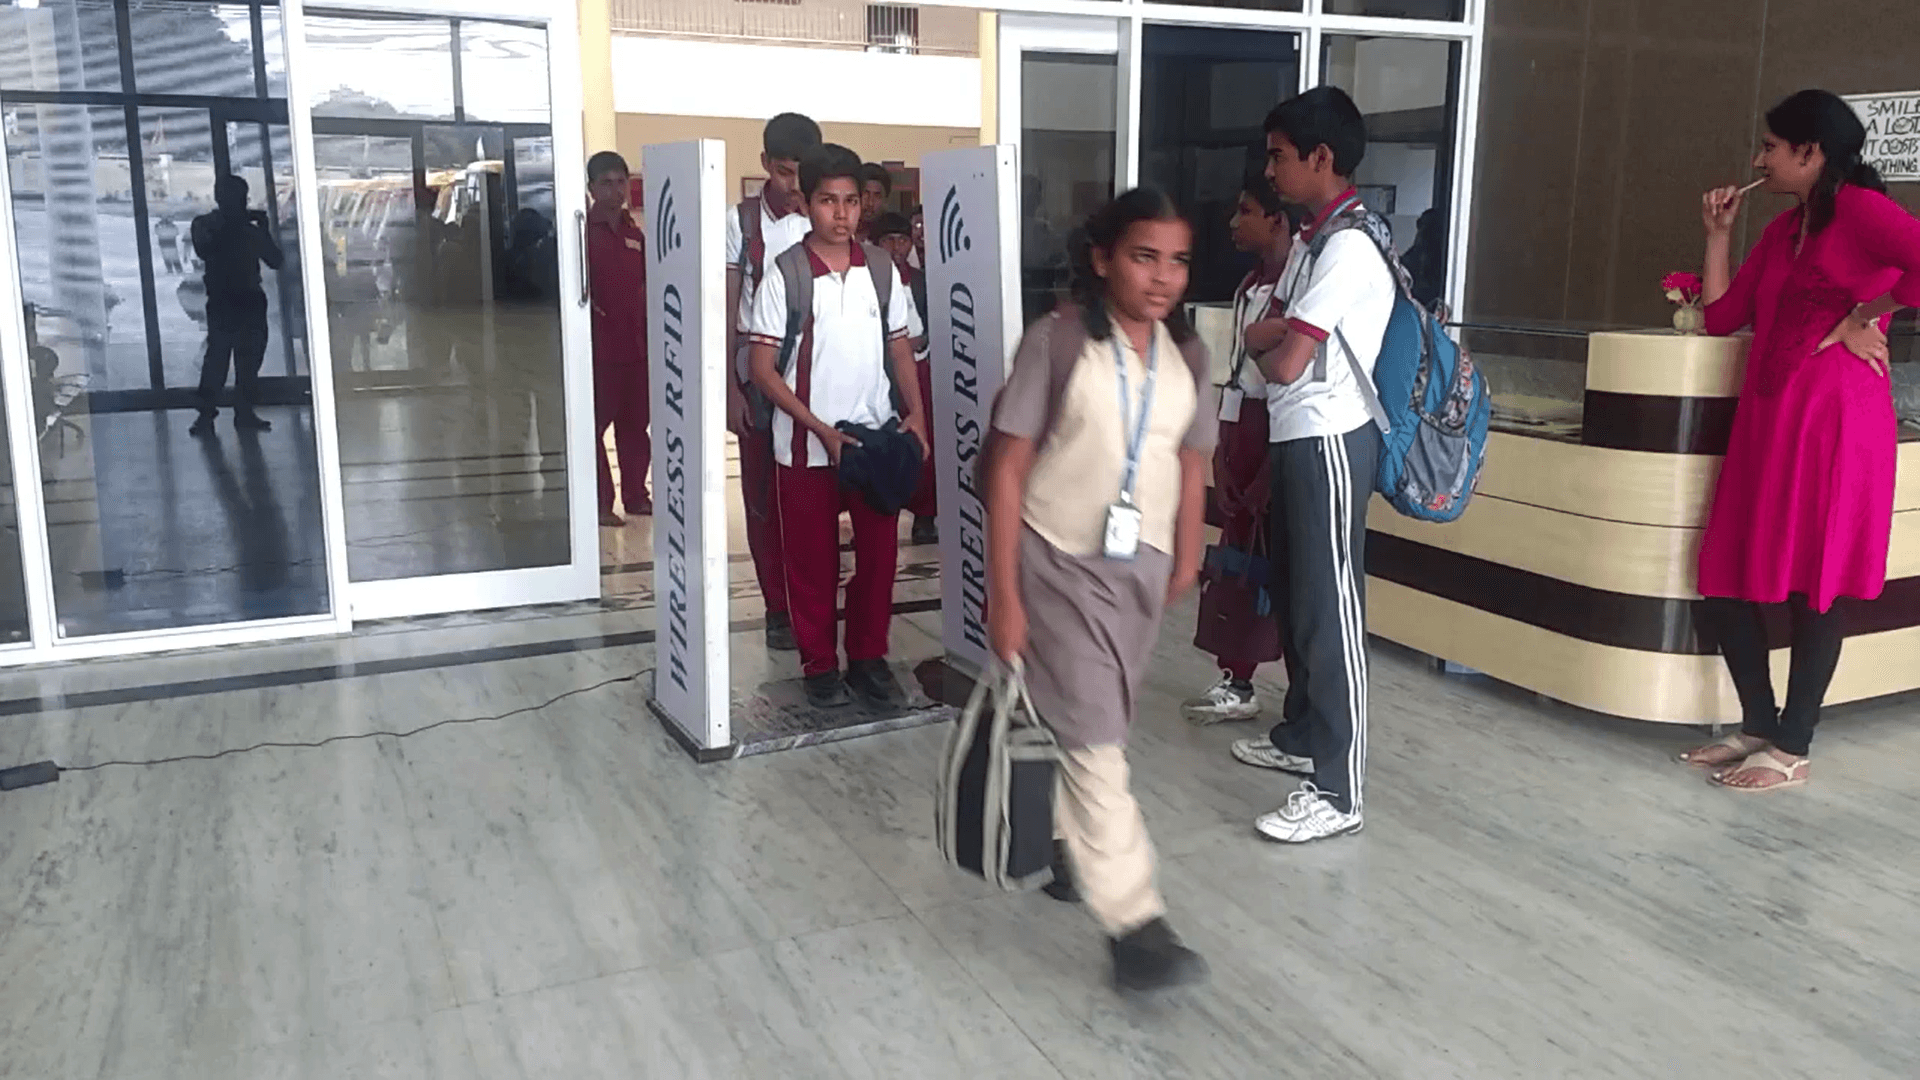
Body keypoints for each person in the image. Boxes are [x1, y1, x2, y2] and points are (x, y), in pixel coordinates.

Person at [984, 187, 1215, 993]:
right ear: (1102, 258)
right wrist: (1004, 592)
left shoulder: (1190, 354)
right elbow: (1008, 467)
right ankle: (1135, 923)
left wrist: (1186, 554)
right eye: (1144, 256)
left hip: (1139, 567)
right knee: (1097, 740)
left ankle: (1057, 845)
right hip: (1056, 558)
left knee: (1090, 716)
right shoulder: (1057, 342)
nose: (1162, 277)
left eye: (1178, 259)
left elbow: (1192, 460)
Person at [1677, 90, 1920, 791]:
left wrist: (1862, 315)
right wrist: (1718, 234)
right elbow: (1722, 318)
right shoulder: (1783, 230)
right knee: (1725, 569)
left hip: (1836, 423)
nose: (1759, 159)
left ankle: (1793, 743)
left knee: (1817, 579)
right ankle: (1759, 723)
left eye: (1771, 147)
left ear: (1811, 153)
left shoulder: (1863, 213)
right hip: (1769, 420)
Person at [1228, 87, 1392, 843]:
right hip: (1297, 435)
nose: (1271, 170)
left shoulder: (1352, 245)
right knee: (1296, 597)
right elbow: (1268, 335)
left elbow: (1284, 357)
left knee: (1331, 613)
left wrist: (1269, 337)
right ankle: (1301, 737)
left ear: (1321, 159)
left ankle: (1340, 787)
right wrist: (1270, 336)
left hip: (1330, 437)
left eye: (1279, 156)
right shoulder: (1310, 242)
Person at [747, 144, 928, 709]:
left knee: (878, 563)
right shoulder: (787, 275)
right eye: (829, 201)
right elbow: (762, 368)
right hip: (805, 449)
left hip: (872, 441)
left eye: (851, 201)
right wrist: (818, 428)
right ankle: (819, 664)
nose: (842, 213)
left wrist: (916, 414)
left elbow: (899, 347)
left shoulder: (882, 270)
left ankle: (869, 659)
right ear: (808, 203)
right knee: (812, 566)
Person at [1183, 166, 1300, 724]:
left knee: (1289, 567)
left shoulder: (1301, 288)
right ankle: (1237, 677)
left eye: (1245, 212)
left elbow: (1292, 383)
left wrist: (1267, 472)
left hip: (1282, 435)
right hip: (1242, 428)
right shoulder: (1248, 287)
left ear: (1277, 221)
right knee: (1237, 559)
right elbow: (1236, 375)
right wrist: (1226, 456)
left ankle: (1303, 696)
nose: (1234, 223)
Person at [727, 112, 823, 653]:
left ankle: (809, 600)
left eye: (801, 174)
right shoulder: (739, 224)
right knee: (762, 497)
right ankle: (776, 606)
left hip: (818, 373)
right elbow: (725, 312)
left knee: (808, 498)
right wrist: (728, 391)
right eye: (785, 173)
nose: (794, 186)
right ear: (765, 165)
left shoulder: (823, 214)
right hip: (758, 377)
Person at [585, 150, 652, 525]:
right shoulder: (582, 235)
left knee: (635, 428)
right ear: (592, 188)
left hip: (637, 351)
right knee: (594, 429)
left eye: (620, 182)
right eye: (606, 183)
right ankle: (600, 502)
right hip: (600, 353)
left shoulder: (635, 234)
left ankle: (636, 495)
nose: (615, 191)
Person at [190, 175, 285, 437]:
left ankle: (241, 411)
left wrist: (261, 230)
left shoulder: (241, 229)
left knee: (248, 359)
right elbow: (205, 249)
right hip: (227, 300)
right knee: (218, 359)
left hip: (247, 299)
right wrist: (250, 228)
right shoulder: (208, 225)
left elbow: (275, 260)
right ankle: (208, 413)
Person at [874, 210, 939, 546]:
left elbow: (935, 320)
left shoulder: (921, 278)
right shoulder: (869, 280)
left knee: (924, 436)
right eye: (889, 240)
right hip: (884, 371)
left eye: (902, 239)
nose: (897, 247)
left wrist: (923, 340)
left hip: (923, 367)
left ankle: (925, 514)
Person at [857, 162, 893, 242]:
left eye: (877, 196)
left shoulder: (891, 240)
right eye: (865, 194)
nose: (870, 203)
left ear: (885, 200)